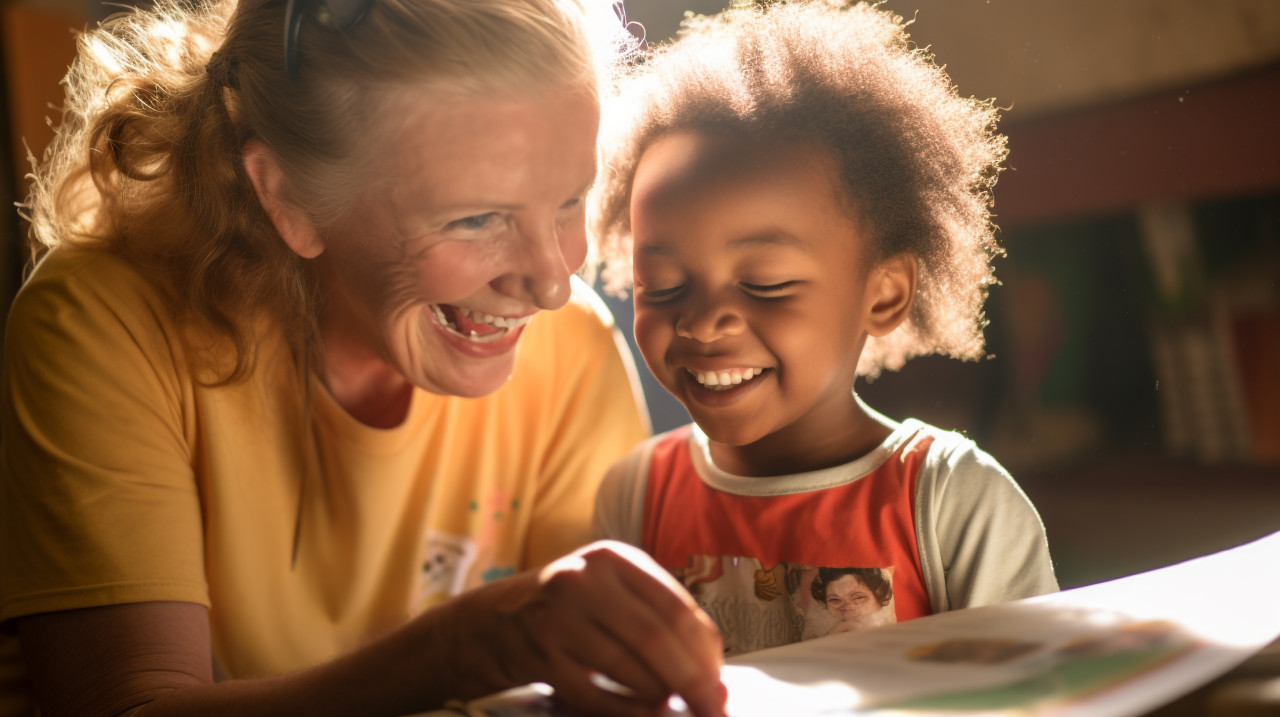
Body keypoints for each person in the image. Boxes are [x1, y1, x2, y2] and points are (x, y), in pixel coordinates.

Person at [0, 0, 729, 714]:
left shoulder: (570, 344)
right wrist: (463, 648)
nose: (552, 283)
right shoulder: (102, 323)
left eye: (570, 200)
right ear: (288, 198)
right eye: (476, 218)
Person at [591, 0, 1058, 657]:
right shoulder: (636, 496)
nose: (701, 321)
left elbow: (1031, 691)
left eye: (765, 283)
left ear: (885, 294)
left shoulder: (949, 501)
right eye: (663, 285)